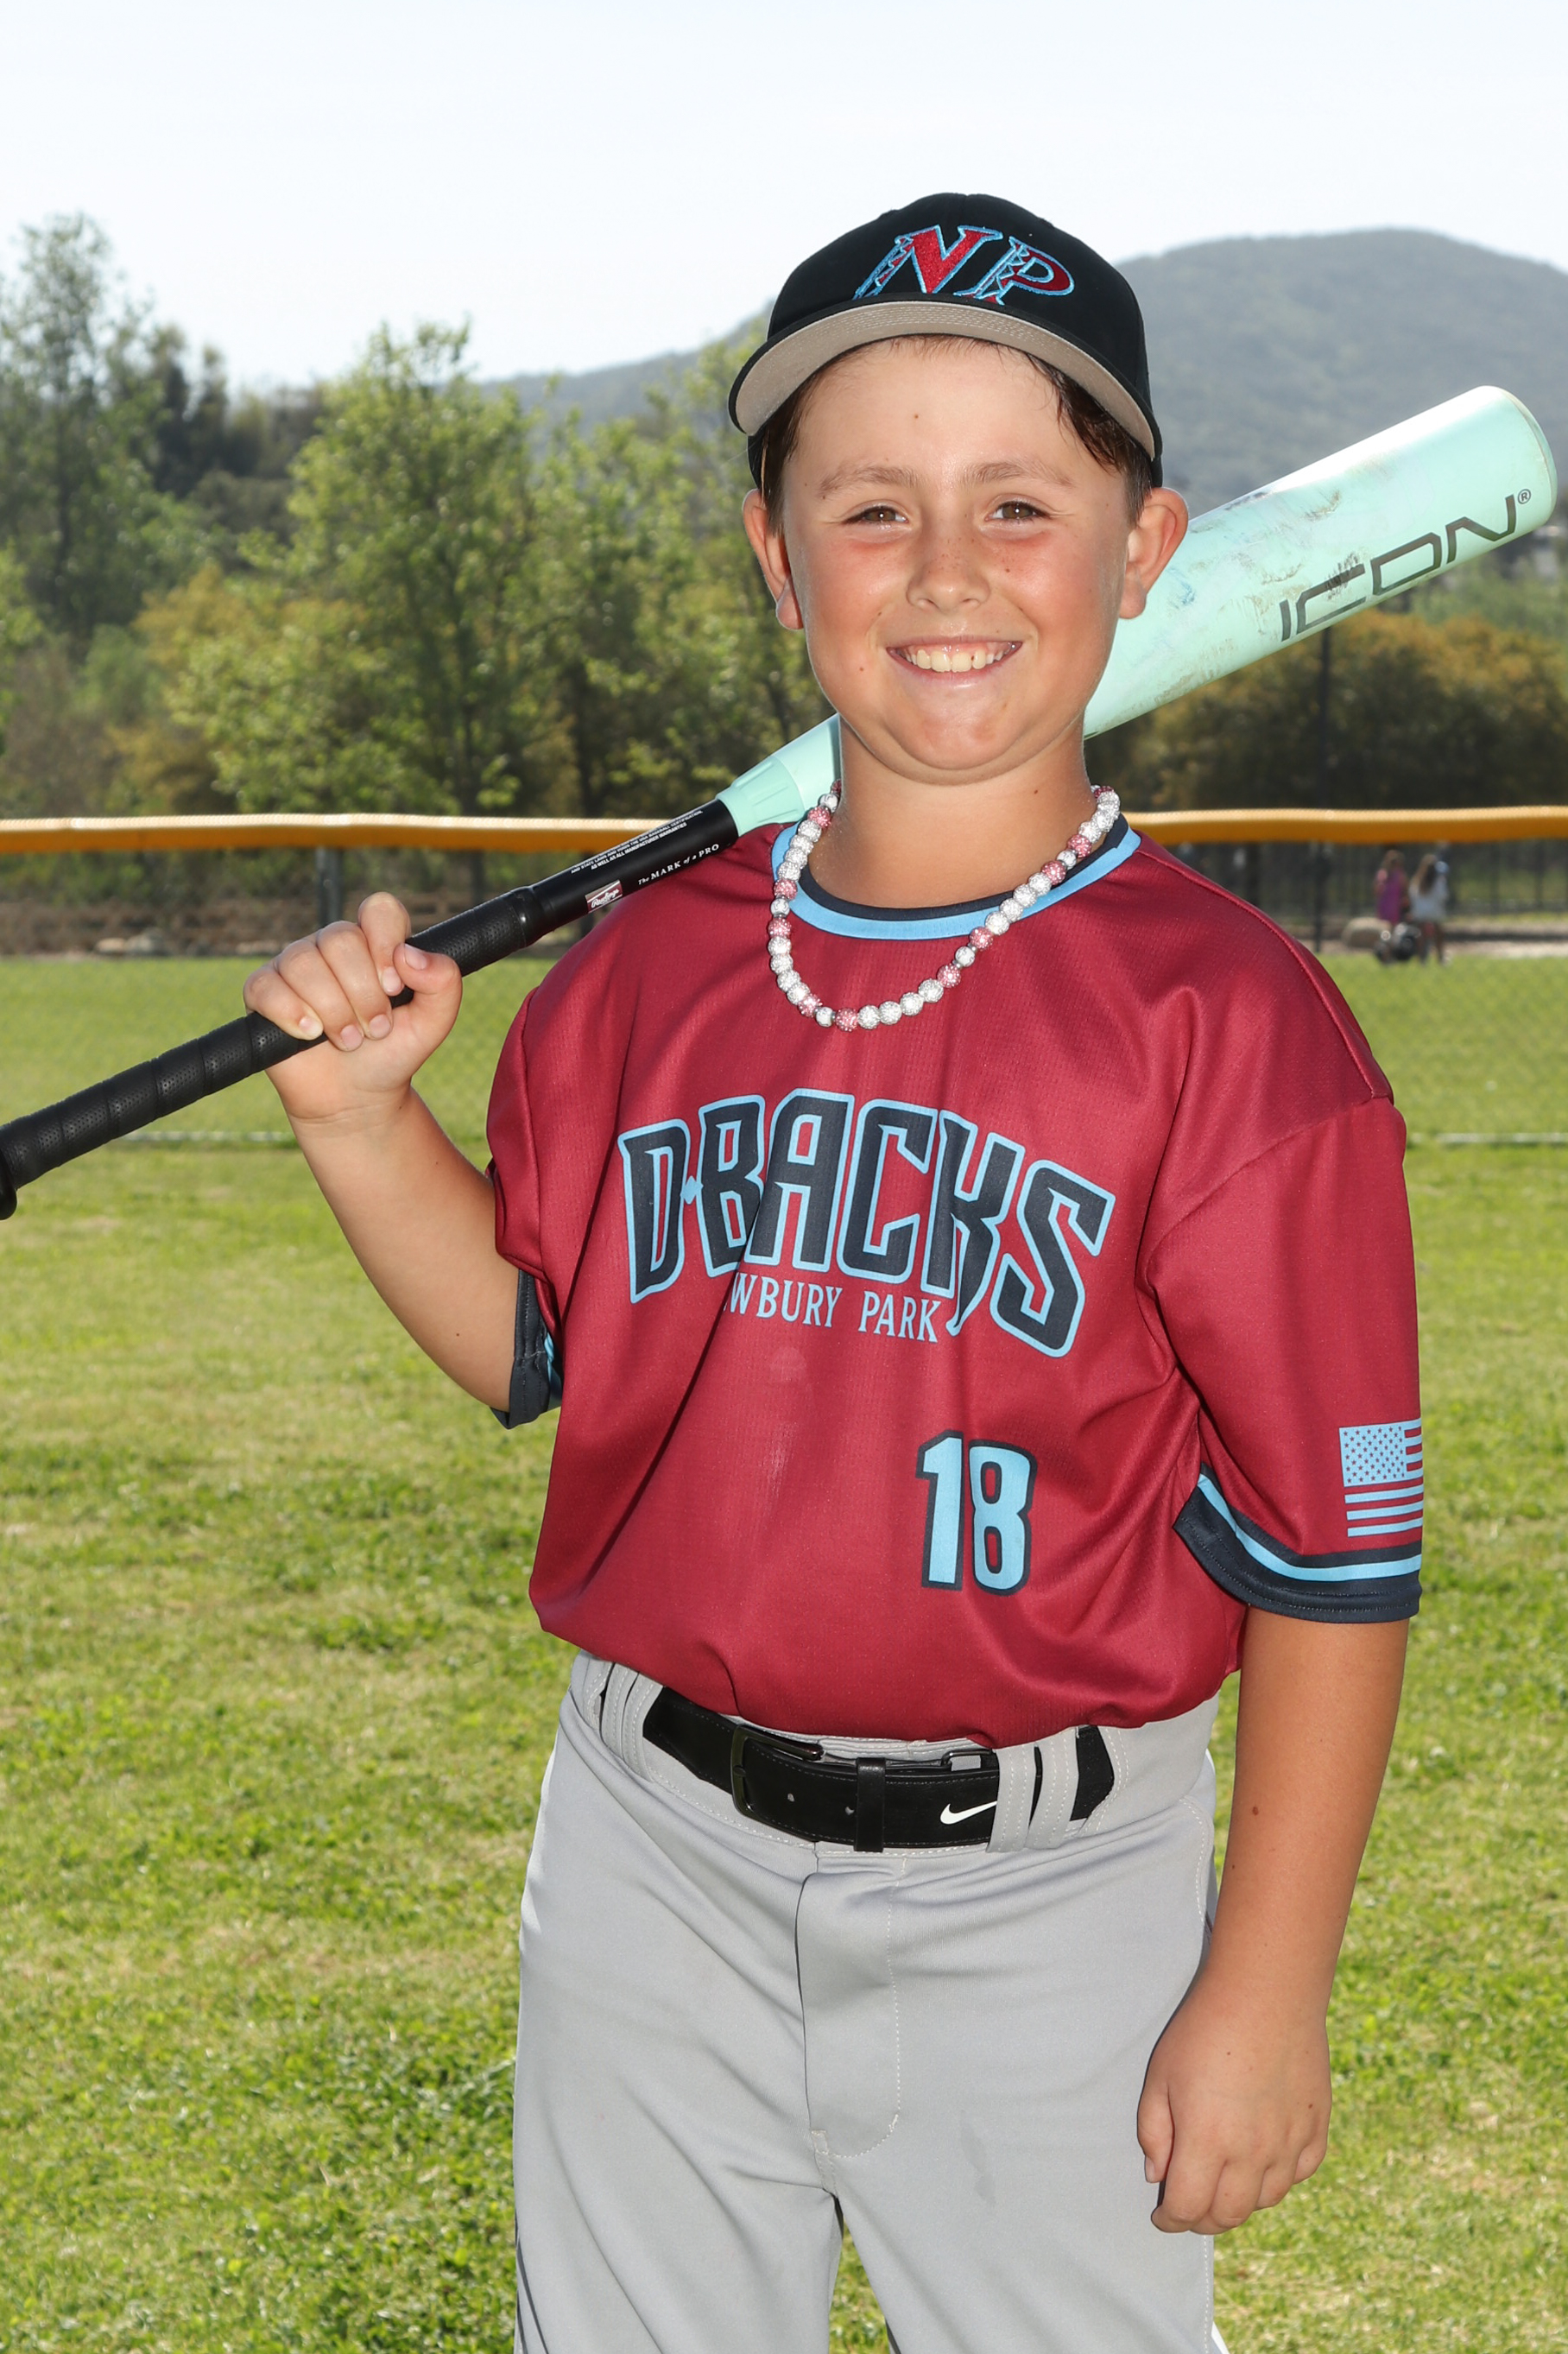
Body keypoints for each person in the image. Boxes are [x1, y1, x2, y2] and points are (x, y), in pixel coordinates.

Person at [243, 194, 1421, 2354]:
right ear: (781, 565)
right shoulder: (644, 975)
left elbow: (1331, 1563)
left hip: (1051, 1885)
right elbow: (537, 1349)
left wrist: (1263, 1986)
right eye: (872, 509)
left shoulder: (1231, 1023)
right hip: (648, 1845)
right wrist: (359, 1124)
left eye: (1018, 505)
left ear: (1144, 551)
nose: (947, 571)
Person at [1409, 851, 1450, 963]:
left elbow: (1413, 896)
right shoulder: (1439, 881)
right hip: (1435, 913)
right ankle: (1440, 957)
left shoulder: (1417, 881)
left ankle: (1421, 959)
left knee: (1421, 935)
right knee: (1439, 934)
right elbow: (1443, 896)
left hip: (1420, 913)